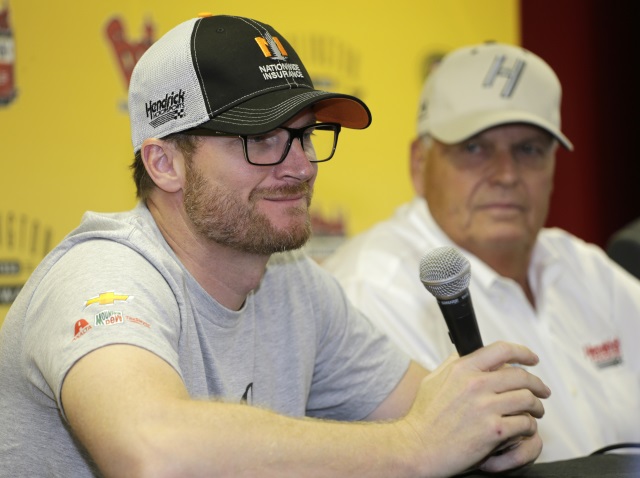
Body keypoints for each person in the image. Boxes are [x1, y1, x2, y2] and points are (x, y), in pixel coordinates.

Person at [0, 17, 550, 477]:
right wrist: (416, 445)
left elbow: (429, 411)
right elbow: (152, 451)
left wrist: (484, 427)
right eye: (260, 139)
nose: (302, 165)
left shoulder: (290, 279)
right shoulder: (101, 274)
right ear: (163, 163)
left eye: (305, 135)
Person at [323, 41, 640, 463]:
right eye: (475, 148)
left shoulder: (585, 265)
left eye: (528, 150)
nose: (506, 174)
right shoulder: (373, 287)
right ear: (420, 164)